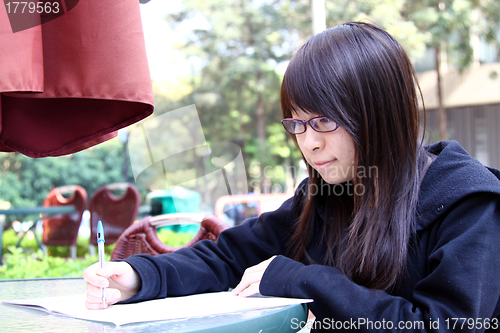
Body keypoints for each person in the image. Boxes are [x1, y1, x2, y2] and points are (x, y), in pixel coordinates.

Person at [83, 22, 500, 332]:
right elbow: (231, 255)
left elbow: (443, 325)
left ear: (379, 115)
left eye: (323, 121)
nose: (309, 144)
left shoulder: (468, 204)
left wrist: (304, 278)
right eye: (297, 124)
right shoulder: (327, 195)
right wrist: (140, 276)